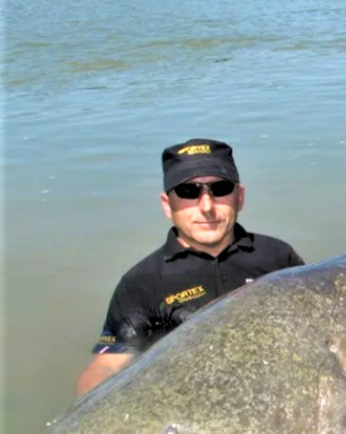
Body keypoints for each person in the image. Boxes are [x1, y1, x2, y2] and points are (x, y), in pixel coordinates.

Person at [75, 138, 304, 396]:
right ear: (166, 204)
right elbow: (107, 365)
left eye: (220, 189)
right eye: (188, 192)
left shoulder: (278, 257)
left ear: (239, 197)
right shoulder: (141, 284)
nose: (207, 206)